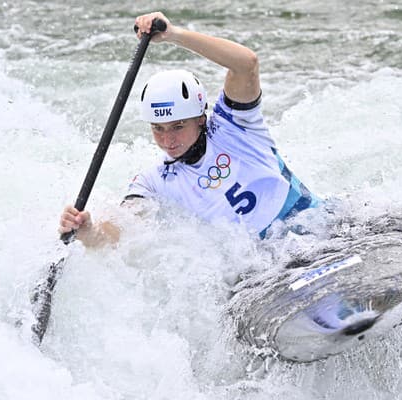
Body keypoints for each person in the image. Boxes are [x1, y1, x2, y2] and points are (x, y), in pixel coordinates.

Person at [59, 11, 320, 247]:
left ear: (200, 119)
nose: (168, 139)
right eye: (158, 129)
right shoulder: (153, 182)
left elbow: (246, 63)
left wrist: (174, 35)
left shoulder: (235, 125)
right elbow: (120, 230)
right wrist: (88, 232)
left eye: (178, 126)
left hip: (318, 228)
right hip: (264, 267)